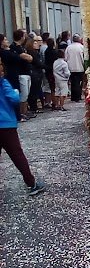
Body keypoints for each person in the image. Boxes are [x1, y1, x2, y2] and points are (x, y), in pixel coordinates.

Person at [0, 57, 46, 195]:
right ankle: (31, 183)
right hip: (6, 124)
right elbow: (14, 99)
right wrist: (15, 92)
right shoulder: (3, 83)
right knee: (17, 155)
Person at [10, 29, 33, 121]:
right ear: (21, 36)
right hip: (21, 73)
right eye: (24, 35)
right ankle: (21, 113)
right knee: (23, 94)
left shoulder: (22, 47)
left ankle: (25, 112)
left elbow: (30, 58)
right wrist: (27, 57)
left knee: (26, 94)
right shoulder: (14, 47)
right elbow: (24, 57)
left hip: (27, 72)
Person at [25, 36, 45, 114]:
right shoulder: (32, 53)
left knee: (36, 91)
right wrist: (48, 67)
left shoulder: (37, 52)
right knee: (34, 91)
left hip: (37, 73)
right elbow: (38, 63)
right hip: (35, 73)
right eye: (35, 43)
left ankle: (34, 106)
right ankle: (33, 107)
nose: (37, 44)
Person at [65, 34, 85, 102]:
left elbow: (66, 57)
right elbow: (84, 57)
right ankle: (77, 96)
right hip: (80, 67)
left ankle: (73, 96)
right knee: (78, 83)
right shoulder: (81, 47)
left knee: (73, 82)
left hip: (71, 67)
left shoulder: (69, 47)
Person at [44, 37, 58, 110]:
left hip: (48, 70)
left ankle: (53, 102)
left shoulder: (46, 51)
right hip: (54, 70)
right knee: (54, 87)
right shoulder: (54, 52)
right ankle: (55, 102)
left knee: (51, 87)